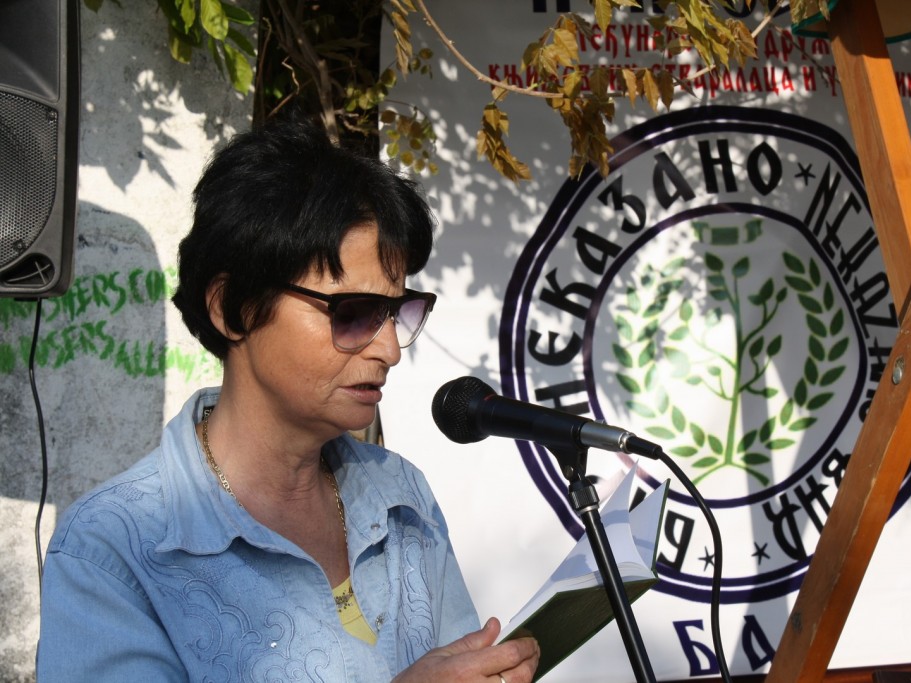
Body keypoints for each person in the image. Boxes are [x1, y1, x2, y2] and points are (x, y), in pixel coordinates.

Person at [36, 112, 540, 682]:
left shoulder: (400, 496)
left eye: (397, 313)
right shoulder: (113, 548)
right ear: (232, 308)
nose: (389, 351)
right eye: (353, 312)